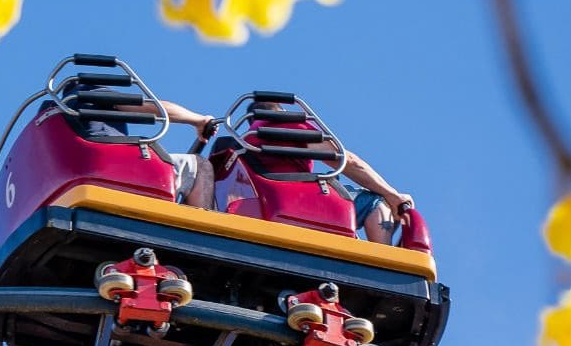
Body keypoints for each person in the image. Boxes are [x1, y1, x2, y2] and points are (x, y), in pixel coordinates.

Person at [158, 98, 412, 244]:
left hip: (257, 215)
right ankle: (379, 257)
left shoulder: (230, 151)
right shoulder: (295, 128)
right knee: (375, 200)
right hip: (315, 209)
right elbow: (348, 162)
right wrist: (391, 194)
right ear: (281, 112)